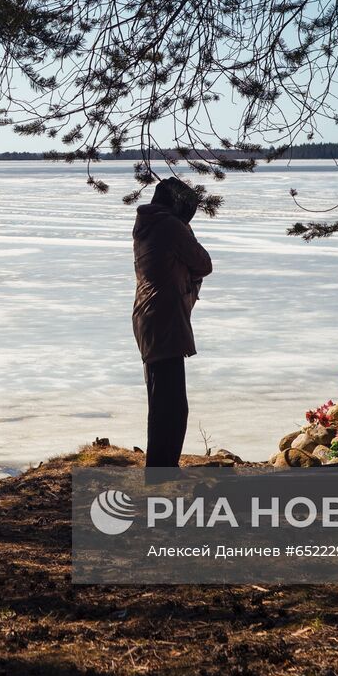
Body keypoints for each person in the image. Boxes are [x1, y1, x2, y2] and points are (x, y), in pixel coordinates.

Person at [131, 176, 212, 470]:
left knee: (164, 401)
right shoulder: (169, 226)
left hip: (153, 317)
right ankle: (161, 471)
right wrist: (186, 230)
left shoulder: (150, 224)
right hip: (163, 319)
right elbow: (203, 262)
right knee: (171, 406)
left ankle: (161, 467)